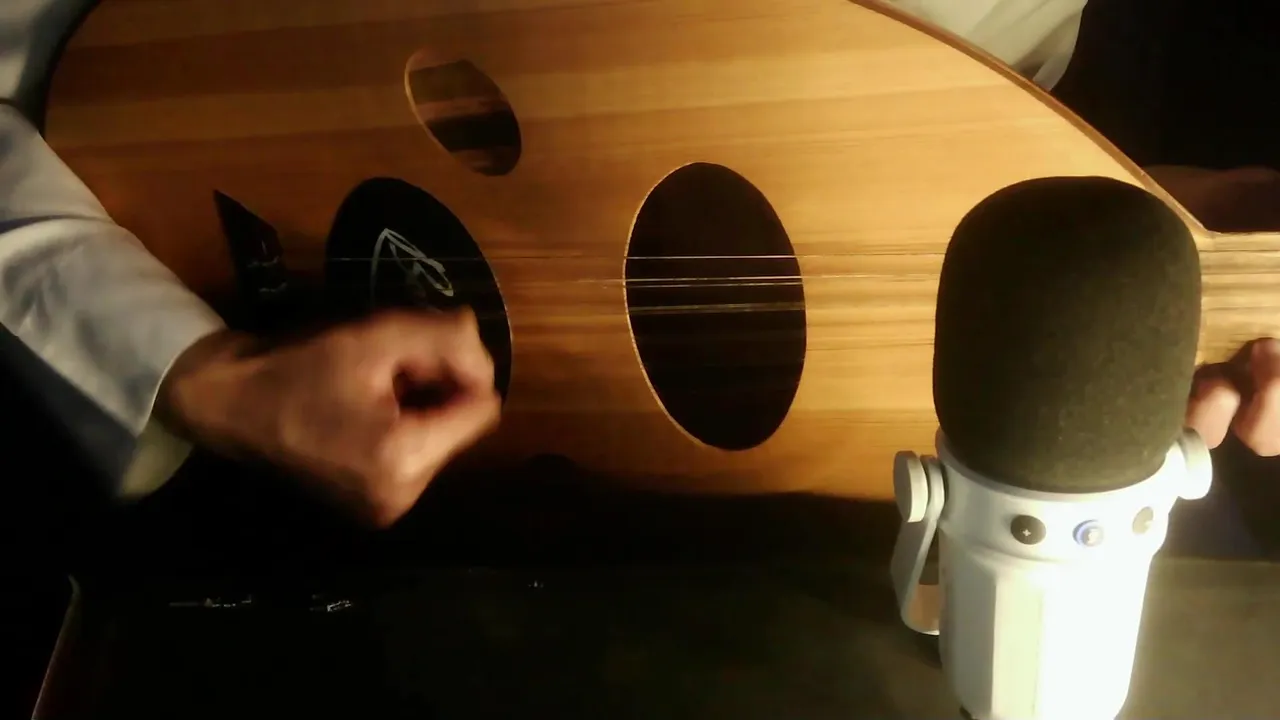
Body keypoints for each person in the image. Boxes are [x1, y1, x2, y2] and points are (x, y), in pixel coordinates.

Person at [1, 0, 1276, 531]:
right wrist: (200, 373)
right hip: (184, 463)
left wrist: (1167, 243)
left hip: (677, 546)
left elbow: (926, 146)